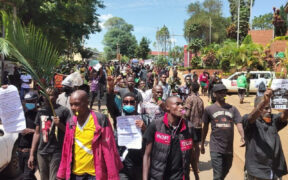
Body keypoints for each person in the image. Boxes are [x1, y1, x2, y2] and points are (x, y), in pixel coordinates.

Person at [57, 90, 123, 180]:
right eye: (71, 104)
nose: (73, 108)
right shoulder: (71, 122)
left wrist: (113, 176)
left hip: (95, 175)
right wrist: (61, 174)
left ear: (87, 102)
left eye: (77, 104)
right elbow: (66, 149)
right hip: (76, 174)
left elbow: (109, 149)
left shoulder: (100, 120)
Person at [142, 96, 198, 180]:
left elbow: (191, 154)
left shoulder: (189, 127)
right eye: (177, 104)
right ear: (167, 107)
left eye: (182, 104)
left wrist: (196, 175)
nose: (181, 107)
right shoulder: (156, 125)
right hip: (158, 176)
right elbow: (147, 155)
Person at [201, 84, 245, 180]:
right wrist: (202, 143)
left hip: (228, 148)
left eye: (224, 91)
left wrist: (242, 135)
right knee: (217, 175)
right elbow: (205, 128)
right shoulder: (209, 109)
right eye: (220, 92)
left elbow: (239, 123)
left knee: (225, 170)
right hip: (215, 147)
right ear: (214, 94)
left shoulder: (232, 109)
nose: (222, 93)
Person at [242, 89, 288, 180]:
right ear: (257, 108)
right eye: (266, 108)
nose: (269, 111)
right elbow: (251, 118)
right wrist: (265, 101)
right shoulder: (249, 122)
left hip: (275, 169)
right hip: (257, 171)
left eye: (270, 107)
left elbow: (284, 116)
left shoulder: (273, 120)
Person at [28, 87, 70, 180]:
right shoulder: (41, 111)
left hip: (56, 151)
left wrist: (60, 125)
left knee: (54, 177)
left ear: (56, 96)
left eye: (50, 95)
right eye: (45, 95)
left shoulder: (64, 111)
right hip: (41, 151)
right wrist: (31, 154)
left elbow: (70, 132)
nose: (47, 97)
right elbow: (37, 133)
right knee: (44, 177)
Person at [17, 91, 38, 180]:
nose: (29, 103)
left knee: (26, 176)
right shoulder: (22, 114)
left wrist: (32, 131)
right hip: (20, 152)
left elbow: (43, 132)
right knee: (27, 175)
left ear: (36, 101)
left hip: (31, 151)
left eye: (31, 101)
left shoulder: (39, 115)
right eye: (27, 101)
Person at [184, 82, 204, 174]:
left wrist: (182, 114)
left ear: (191, 88)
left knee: (188, 145)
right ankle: (196, 165)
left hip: (189, 126)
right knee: (196, 146)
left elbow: (187, 113)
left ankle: (188, 164)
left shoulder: (189, 98)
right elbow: (202, 114)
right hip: (199, 126)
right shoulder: (200, 100)